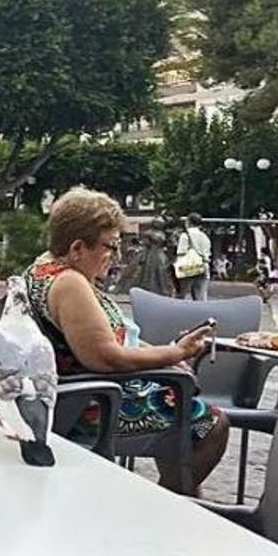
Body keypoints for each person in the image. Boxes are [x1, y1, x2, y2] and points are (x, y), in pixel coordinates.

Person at [24, 189, 229, 494]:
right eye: (111, 246)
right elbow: (105, 357)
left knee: (179, 406)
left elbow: (108, 338)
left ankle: (179, 499)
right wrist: (174, 353)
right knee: (212, 424)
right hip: (93, 406)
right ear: (78, 247)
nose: (117, 256)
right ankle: (165, 506)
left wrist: (170, 354)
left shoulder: (43, 269)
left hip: (78, 395)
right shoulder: (69, 283)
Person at [175, 213, 212, 301]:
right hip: (203, 266)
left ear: (188, 222)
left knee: (182, 295)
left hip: (188, 267)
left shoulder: (185, 236)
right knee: (200, 296)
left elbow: (181, 253)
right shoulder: (205, 237)